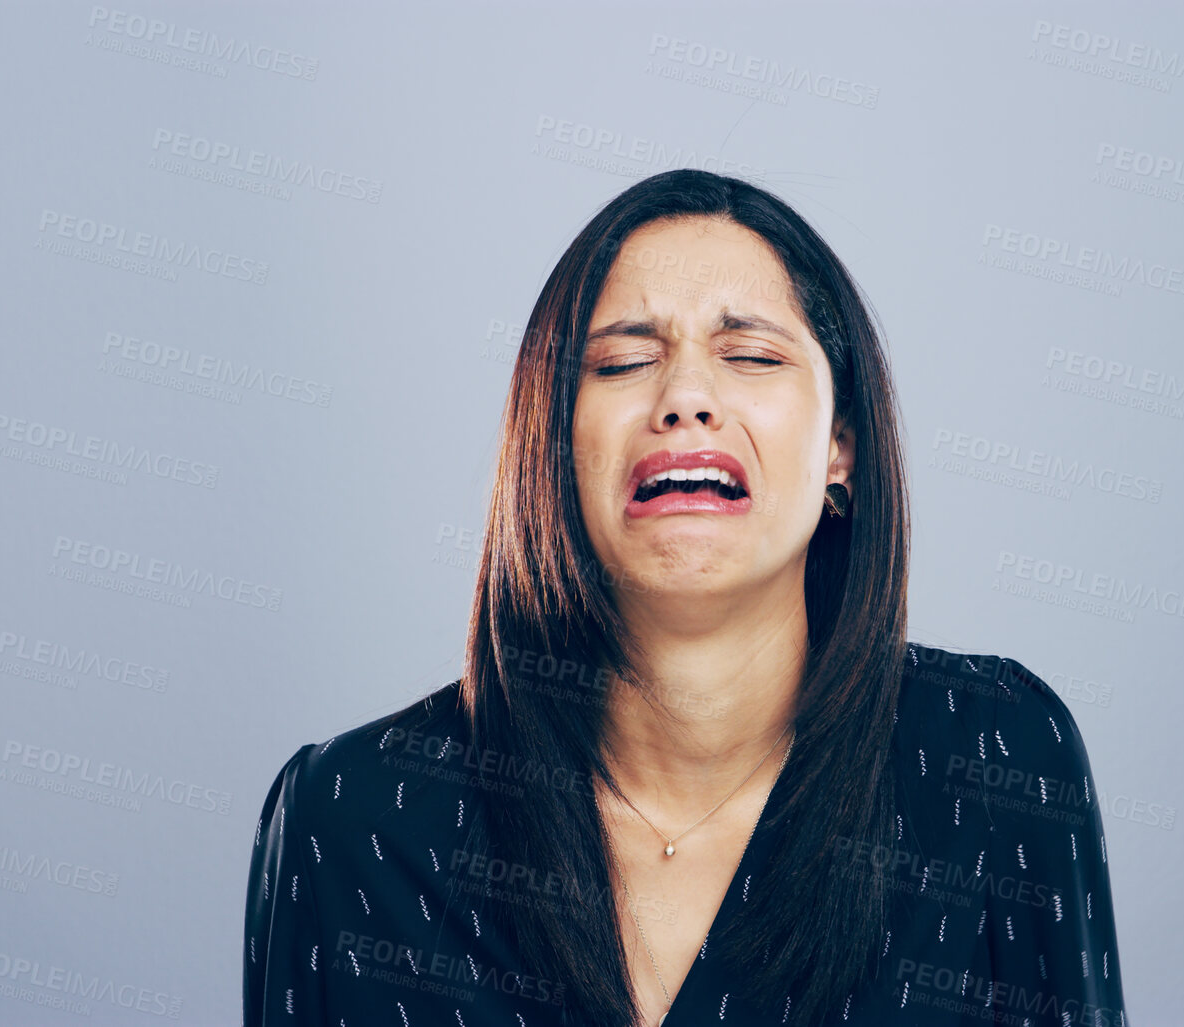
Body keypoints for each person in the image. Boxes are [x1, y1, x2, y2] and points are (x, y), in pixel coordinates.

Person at [243, 169, 1125, 1027]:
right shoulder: (354, 819)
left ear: (840, 450)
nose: (685, 398)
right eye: (624, 361)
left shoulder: (1000, 764)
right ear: (552, 442)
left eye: (749, 355)